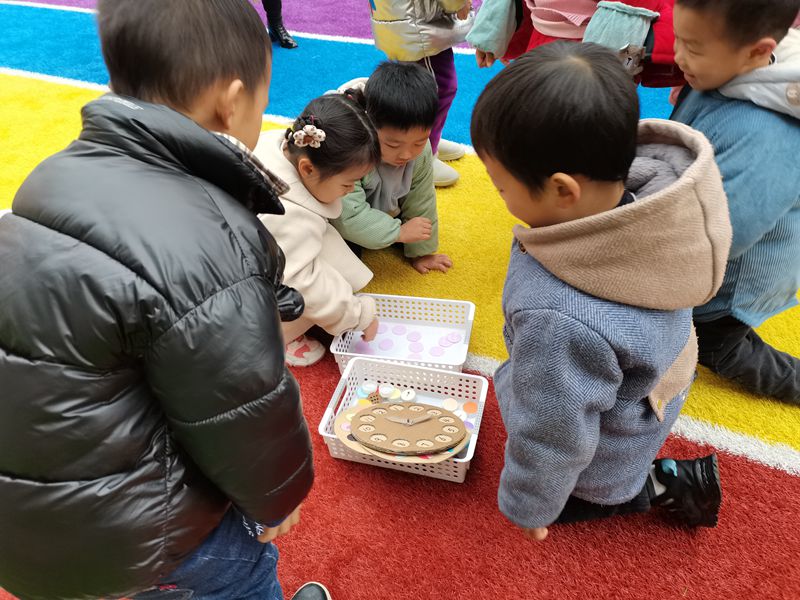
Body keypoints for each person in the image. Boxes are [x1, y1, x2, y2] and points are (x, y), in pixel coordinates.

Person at [0, 1, 327, 599]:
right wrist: (277, 497)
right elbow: (242, 404)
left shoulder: (52, 175)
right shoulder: (208, 230)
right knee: (240, 574)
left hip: (30, 523)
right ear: (231, 101)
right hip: (135, 530)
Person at [471, 42, 732, 539]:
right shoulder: (652, 213)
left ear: (563, 190)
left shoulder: (559, 319)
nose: (498, 195)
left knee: (585, 498)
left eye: (500, 186)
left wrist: (530, 506)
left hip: (609, 444)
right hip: (652, 389)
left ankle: (673, 484)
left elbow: (555, 433)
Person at [671, 0, 800, 404]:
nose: (678, 56)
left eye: (693, 47)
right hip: (710, 239)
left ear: (758, 51)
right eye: (677, 39)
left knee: (717, 346)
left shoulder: (765, 138)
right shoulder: (726, 68)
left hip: (731, 283)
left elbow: (718, 239)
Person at [256, 95, 382, 367]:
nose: (351, 191)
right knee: (310, 288)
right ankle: (279, 337)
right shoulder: (286, 214)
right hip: (236, 303)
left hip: (235, 257)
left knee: (322, 248)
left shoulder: (279, 145)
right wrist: (357, 315)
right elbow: (303, 281)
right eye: (347, 184)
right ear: (307, 168)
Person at [332, 62, 454, 276]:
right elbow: (346, 215)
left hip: (381, 211)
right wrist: (398, 232)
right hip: (336, 216)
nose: (406, 154)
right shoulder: (351, 147)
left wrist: (421, 251)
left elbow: (422, 199)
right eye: (393, 144)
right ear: (369, 125)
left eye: (419, 142)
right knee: (345, 270)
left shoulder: (420, 152)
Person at [369, 0, 474, 186]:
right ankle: (424, 153)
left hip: (405, 17)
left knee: (425, 85)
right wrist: (458, 3)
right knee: (436, 90)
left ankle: (428, 140)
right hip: (417, 22)